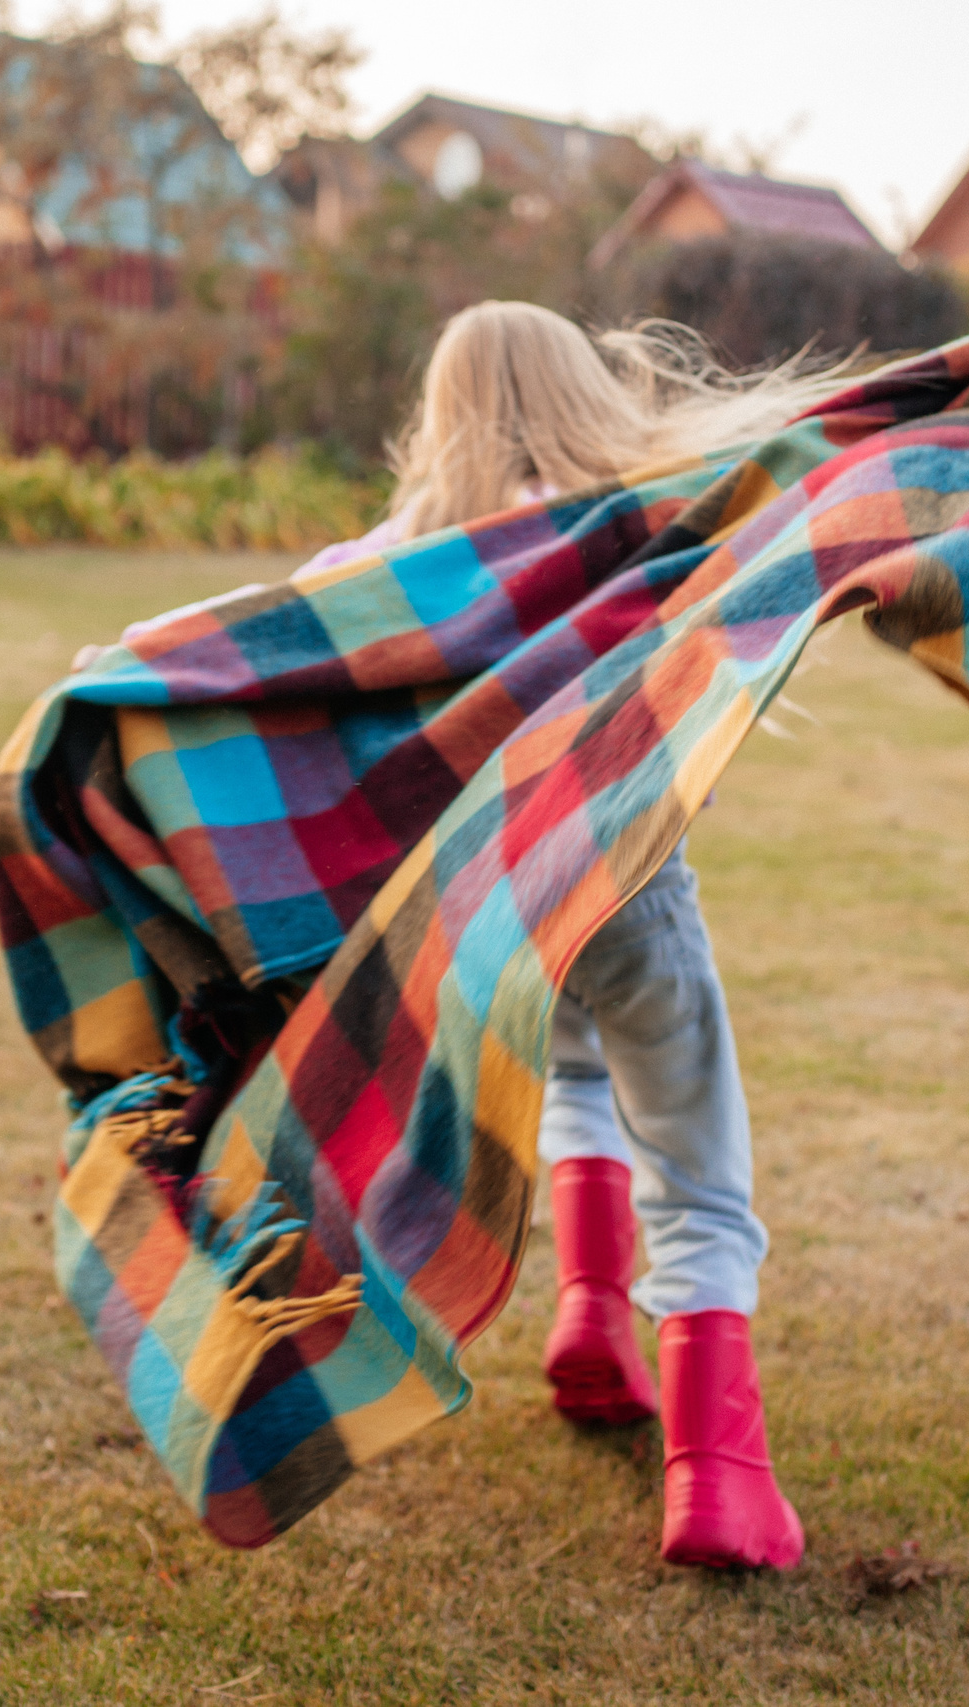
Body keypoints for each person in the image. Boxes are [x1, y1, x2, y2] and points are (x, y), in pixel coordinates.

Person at [119, 302, 850, 1570]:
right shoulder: (643, 533)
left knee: (569, 1069)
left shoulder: (386, 560)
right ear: (582, 394)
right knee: (698, 1164)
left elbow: (255, 661)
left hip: (484, 923)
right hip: (629, 895)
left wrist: (117, 679)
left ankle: (586, 1317)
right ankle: (718, 1477)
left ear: (439, 405)